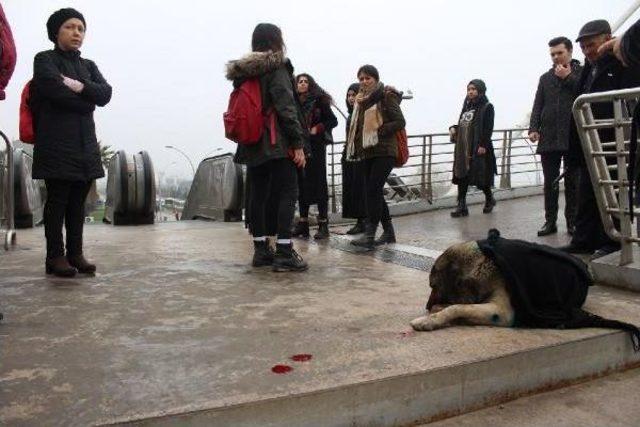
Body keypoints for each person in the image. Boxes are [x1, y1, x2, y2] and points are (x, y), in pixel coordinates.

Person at [31, 8, 112, 277]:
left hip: (85, 145)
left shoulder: (88, 66)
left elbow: (105, 93)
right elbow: (53, 89)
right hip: (56, 143)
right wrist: (87, 97)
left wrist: (77, 87)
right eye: (70, 27)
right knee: (58, 201)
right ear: (56, 32)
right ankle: (55, 256)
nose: (76, 32)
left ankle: (75, 254)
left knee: (78, 203)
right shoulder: (44, 60)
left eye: (81, 28)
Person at [226, 23, 308, 272]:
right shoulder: (277, 67)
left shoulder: (244, 73)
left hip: (251, 142)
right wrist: (297, 143)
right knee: (288, 191)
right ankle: (284, 251)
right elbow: (285, 106)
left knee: (258, 195)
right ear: (277, 41)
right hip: (276, 141)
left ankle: (261, 250)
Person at [559, 19, 640, 257]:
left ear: (607, 39)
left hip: (615, 138)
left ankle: (613, 241)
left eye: (591, 45)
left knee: (614, 190)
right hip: (589, 138)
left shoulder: (623, 61)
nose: (587, 51)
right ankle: (583, 240)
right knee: (588, 191)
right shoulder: (588, 68)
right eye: (583, 47)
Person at [346, 65, 405, 249]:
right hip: (367, 152)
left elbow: (400, 121)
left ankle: (370, 234)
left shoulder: (386, 96)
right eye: (361, 78)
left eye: (368, 78)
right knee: (374, 191)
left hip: (384, 151)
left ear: (376, 79)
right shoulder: (360, 101)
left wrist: (379, 131)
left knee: (372, 190)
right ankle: (388, 232)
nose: (364, 81)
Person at [528, 37, 582, 236]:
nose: (556, 57)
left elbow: (584, 95)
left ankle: (573, 222)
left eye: (560, 52)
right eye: (553, 54)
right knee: (550, 182)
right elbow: (538, 105)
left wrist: (568, 77)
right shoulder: (545, 78)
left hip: (573, 135)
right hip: (549, 135)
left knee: (573, 183)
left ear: (569, 52)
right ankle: (550, 221)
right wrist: (534, 127)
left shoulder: (581, 73)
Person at [291, 73, 338, 240]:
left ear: (310, 84)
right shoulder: (293, 103)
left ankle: (323, 224)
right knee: (302, 185)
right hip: (300, 148)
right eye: (300, 81)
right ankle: (303, 224)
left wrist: (317, 128)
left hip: (316, 148)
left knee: (319, 185)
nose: (302, 84)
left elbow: (333, 121)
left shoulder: (319, 101)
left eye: (305, 81)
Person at [449, 79, 497, 218]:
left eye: (474, 89)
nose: (470, 92)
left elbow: (488, 128)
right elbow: (463, 125)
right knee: (461, 175)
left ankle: (489, 198)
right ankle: (462, 206)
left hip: (478, 147)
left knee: (480, 178)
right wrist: (453, 128)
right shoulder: (466, 107)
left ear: (480, 90)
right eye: (469, 89)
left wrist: (483, 145)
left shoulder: (487, 107)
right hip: (463, 147)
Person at [341, 82, 368, 234]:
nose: (351, 98)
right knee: (353, 189)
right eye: (349, 95)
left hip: (361, 155)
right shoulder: (351, 115)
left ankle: (363, 221)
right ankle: (360, 221)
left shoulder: (363, 112)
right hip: (350, 155)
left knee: (360, 189)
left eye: (354, 94)